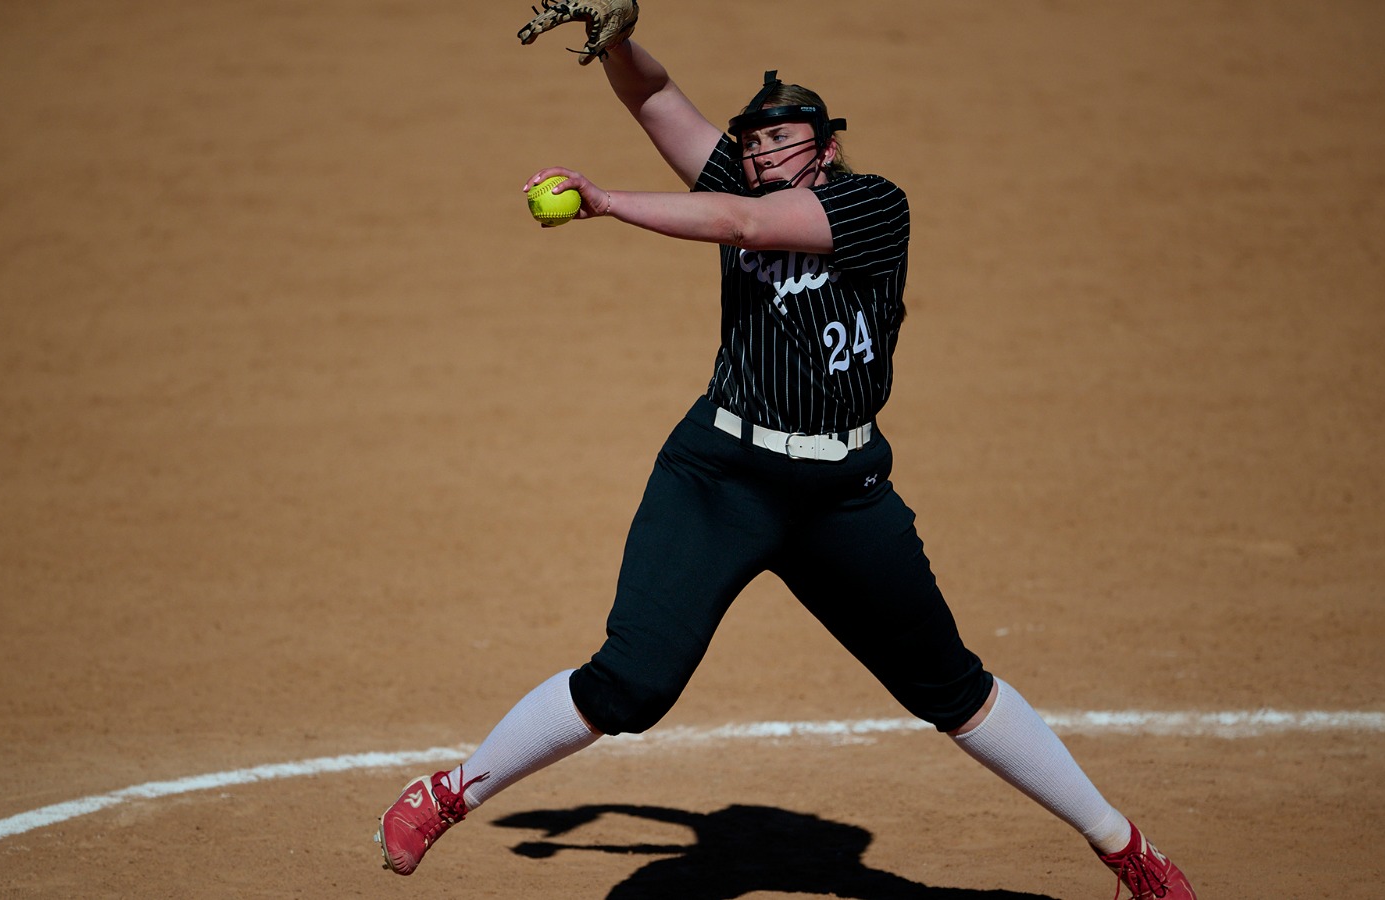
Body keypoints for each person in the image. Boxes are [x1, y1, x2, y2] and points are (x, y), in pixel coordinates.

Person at [376, 24, 1197, 900]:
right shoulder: (744, 181)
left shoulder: (875, 204)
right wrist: (620, 42)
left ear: (827, 146)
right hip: (721, 476)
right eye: (753, 140)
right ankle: (448, 794)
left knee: (951, 688)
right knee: (632, 684)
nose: (761, 152)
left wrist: (606, 202)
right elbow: (657, 102)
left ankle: (1123, 849)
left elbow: (741, 221)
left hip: (844, 496)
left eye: (781, 138)